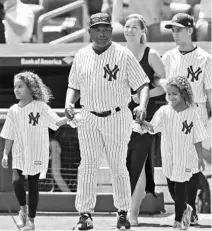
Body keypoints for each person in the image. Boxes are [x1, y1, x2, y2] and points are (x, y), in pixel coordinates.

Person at [65, 12, 150, 231]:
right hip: (89, 116)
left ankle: (123, 213)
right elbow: (73, 85)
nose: (102, 33)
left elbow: (142, 84)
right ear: (90, 31)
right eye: (98, 29)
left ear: (112, 31)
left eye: (106, 29)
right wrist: (68, 103)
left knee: (118, 166)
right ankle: (85, 215)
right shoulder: (81, 54)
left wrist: (141, 104)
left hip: (117, 115)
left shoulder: (123, 54)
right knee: (87, 166)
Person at [156, 12, 212, 225]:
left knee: (191, 163)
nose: (175, 33)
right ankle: (186, 205)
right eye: (173, 29)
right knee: (170, 166)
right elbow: (161, 84)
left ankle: (190, 209)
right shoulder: (169, 56)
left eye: (179, 29)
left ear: (190, 30)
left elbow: (209, 91)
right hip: (172, 113)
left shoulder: (205, 58)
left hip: (196, 110)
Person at [0, 71, 69, 230]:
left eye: (20, 86)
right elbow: (9, 134)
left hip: (37, 153)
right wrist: (5, 153)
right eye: (15, 87)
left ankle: (31, 221)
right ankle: (22, 210)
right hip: (18, 153)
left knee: (33, 186)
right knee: (16, 182)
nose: (16, 90)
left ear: (30, 88)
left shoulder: (41, 107)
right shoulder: (12, 110)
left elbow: (57, 122)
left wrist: (69, 117)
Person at [142, 75, 208, 230]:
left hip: (185, 157)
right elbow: (153, 128)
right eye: (168, 94)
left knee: (179, 189)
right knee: (172, 189)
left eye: (174, 94)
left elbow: (197, 137)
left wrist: (199, 158)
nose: (171, 97)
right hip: (168, 157)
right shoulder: (163, 111)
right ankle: (186, 208)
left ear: (183, 93)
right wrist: (142, 122)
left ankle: (178, 221)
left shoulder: (192, 114)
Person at [123, 13, 165, 225]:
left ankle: (132, 212)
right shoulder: (118, 53)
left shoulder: (151, 54)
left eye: (134, 27)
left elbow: (166, 87)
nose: (129, 30)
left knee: (138, 166)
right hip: (119, 118)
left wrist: (140, 96)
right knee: (123, 166)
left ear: (142, 31)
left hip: (144, 118)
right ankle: (125, 209)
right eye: (126, 26)